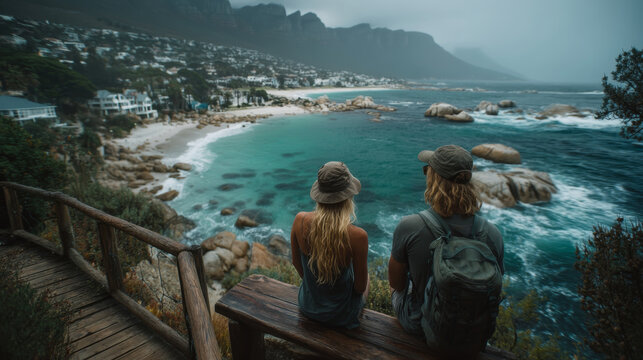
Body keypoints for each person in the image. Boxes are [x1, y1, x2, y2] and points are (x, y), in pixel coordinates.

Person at [388, 145, 504, 354]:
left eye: (427, 170)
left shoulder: (411, 225)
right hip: (473, 335)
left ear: (433, 179)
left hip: (419, 326)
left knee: (397, 291)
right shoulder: (492, 234)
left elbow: (396, 283)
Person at [291, 161, 369, 329]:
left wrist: (317, 290)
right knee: (367, 278)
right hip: (341, 314)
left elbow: (296, 263)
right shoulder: (358, 236)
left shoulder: (300, 220)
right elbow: (360, 287)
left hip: (308, 306)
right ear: (348, 196)